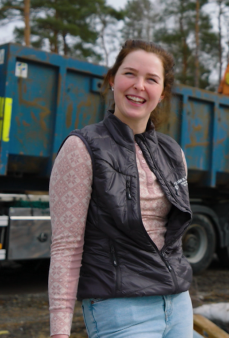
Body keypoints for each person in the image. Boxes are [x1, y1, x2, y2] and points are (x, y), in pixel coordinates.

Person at [48, 40, 194, 338]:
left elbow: (172, 240)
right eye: (130, 74)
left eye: (151, 79)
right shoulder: (82, 148)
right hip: (121, 310)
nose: (139, 86)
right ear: (113, 79)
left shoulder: (173, 153)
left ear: (162, 93)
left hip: (178, 306)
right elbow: (66, 248)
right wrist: (59, 333)